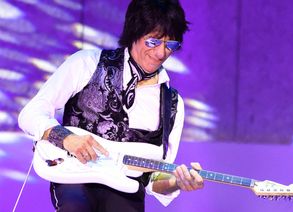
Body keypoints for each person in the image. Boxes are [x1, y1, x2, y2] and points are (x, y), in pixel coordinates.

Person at [18, 0, 204, 211]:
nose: (161, 53)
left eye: (170, 45)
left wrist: (178, 182)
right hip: (74, 178)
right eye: (153, 42)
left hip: (125, 190)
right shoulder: (87, 63)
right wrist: (66, 138)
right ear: (134, 33)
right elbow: (31, 114)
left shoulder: (172, 104)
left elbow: (153, 178)